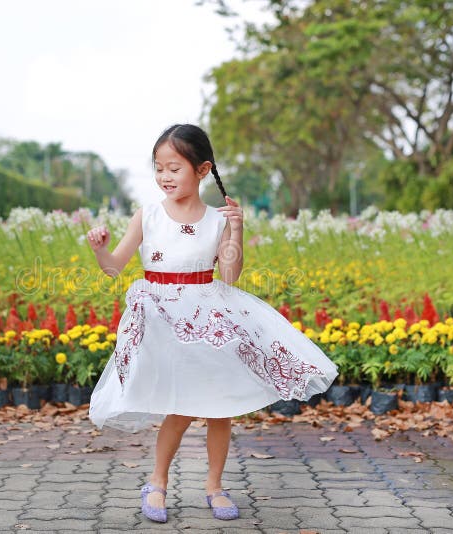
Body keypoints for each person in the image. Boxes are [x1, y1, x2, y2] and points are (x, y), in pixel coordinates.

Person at [86, 124, 338, 523]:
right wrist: (100, 251)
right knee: (180, 407)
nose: (165, 177)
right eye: (159, 168)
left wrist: (236, 227)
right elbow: (114, 268)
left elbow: (231, 277)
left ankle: (214, 486)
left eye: (174, 168)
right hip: (163, 321)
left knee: (219, 409)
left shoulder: (216, 220)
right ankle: (157, 482)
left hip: (210, 319)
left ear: (202, 170)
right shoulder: (147, 215)